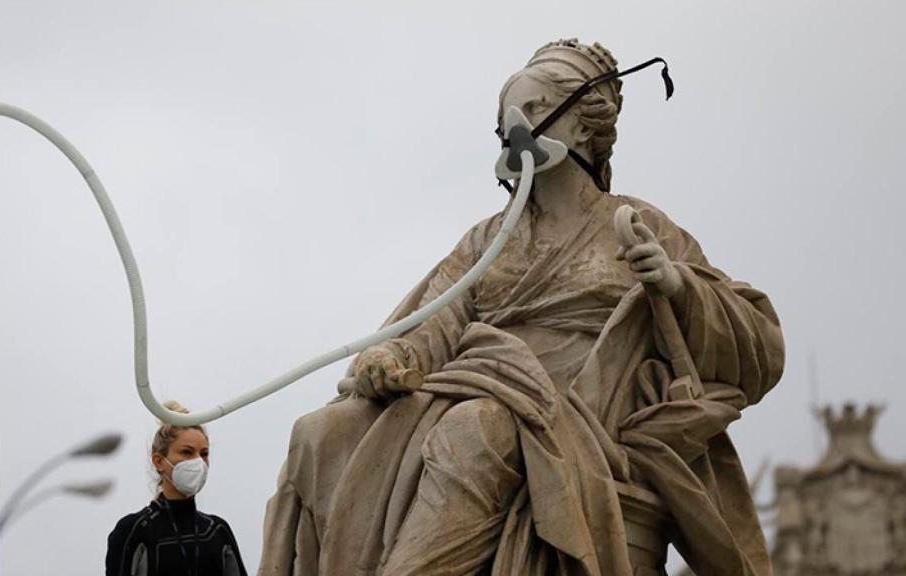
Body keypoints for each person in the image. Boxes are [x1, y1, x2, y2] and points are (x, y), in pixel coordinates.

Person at [259, 39, 784, 576]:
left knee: (476, 426)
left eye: (533, 110)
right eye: (506, 117)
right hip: (479, 385)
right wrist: (392, 353)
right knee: (320, 433)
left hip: (583, 416)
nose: (517, 127)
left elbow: (760, 351)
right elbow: (436, 321)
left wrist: (678, 286)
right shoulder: (488, 238)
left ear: (583, 125)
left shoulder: (637, 223)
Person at [107, 400, 247, 576]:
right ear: (159, 461)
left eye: (204, 454)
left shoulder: (216, 530)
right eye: (187, 452)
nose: (198, 462)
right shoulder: (135, 530)